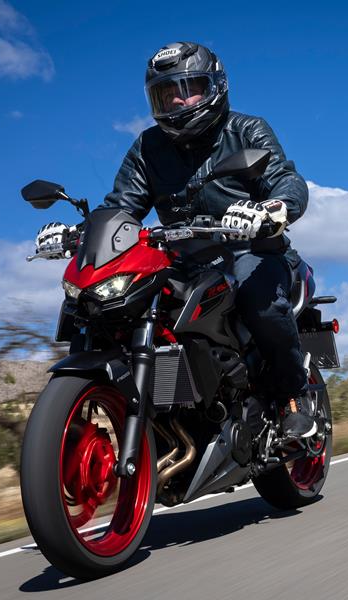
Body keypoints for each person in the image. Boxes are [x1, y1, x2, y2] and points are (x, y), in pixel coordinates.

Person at [35, 41, 316, 438]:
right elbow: (121, 207)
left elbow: (285, 178)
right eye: (168, 93)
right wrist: (80, 233)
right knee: (105, 305)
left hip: (249, 248)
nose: (181, 102)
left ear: (216, 86)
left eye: (190, 89)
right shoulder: (149, 148)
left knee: (260, 301)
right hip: (185, 258)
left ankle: (293, 395)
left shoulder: (246, 129)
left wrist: (274, 208)